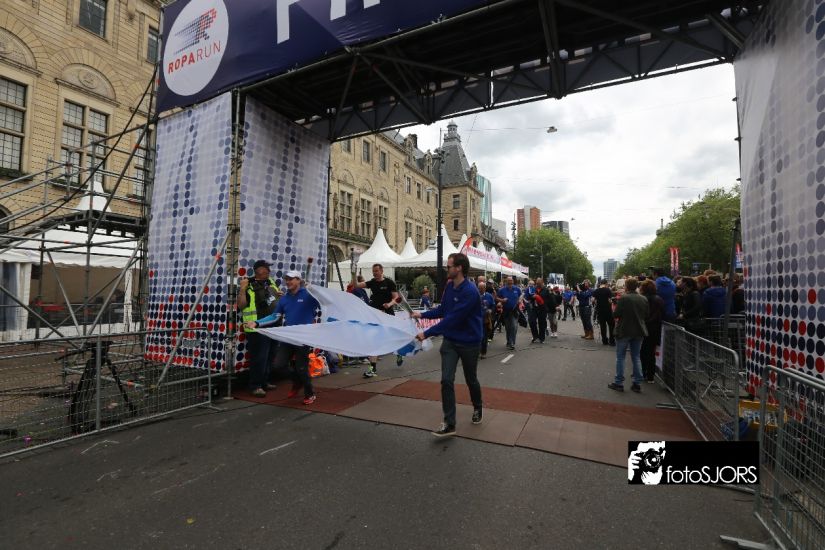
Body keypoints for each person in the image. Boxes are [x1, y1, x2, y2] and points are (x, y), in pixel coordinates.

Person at [413, 253, 483, 437]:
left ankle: (478, 407)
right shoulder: (450, 286)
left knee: (471, 379)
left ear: (459, 268)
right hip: (451, 341)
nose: (446, 268)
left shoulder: (470, 291)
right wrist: (422, 314)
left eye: (449, 266)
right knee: (446, 380)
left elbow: (452, 319)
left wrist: (426, 333)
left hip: (469, 341)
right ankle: (450, 423)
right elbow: (443, 310)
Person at [248, 270, 319, 405]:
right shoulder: (284, 299)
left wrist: (314, 289)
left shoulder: (309, 295)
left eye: (291, 279)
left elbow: (326, 300)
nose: (288, 281)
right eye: (287, 279)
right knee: (278, 366)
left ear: (298, 280)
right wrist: (257, 323)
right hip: (288, 337)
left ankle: (310, 393)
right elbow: (274, 317)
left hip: (304, 338)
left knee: (301, 368)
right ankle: (297, 382)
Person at [237, 259, 282, 397]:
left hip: (273, 326)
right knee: (259, 358)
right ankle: (256, 386)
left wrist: (280, 296)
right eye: (267, 268)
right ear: (260, 271)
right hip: (257, 328)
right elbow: (241, 306)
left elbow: (276, 300)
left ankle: (265, 382)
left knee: (270, 356)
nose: (269, 271)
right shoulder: (248, 285)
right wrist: (242, 289)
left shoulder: (271, 282)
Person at [354, 263, 401, 377]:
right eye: (373, 271)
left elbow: (397, 298)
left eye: (376, 271)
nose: (374, 273)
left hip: (387, 314)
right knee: (373, 341)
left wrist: (389, 304)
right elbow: (356, 285)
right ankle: (372, 369)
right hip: (375, 315)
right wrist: (353, 273)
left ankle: (400, 352)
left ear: (381, 271)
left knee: (393, 337)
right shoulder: (372, 282)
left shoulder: (389, 282)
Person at [608, 278, 649, 393]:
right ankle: (637, 383)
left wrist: (613, 305)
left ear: (626, 286)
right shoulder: (643, 298)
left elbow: (616, 314)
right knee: (636, 356)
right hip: (639, 330)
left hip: (624, 330)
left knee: (620, 357)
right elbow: (646, 315)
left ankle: (619, 382)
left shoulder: (624, 298)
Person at [639, 280, 664, 383]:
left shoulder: (643, 299)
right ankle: (650, 376)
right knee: (651, 352)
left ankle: (643, 372)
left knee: (643, 351)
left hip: (645, 327)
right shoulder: (659, 299)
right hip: (655, 328)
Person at [496, 276, 521, 350]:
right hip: (506, 311)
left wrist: (520, 300)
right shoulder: (502, 290)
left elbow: (521, 295)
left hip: (514, 311)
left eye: (511, 280)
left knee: (514, 326)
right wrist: (502, 300)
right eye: (509, 281)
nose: (510, 282)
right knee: (508, 327)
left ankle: (512, 342)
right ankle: (509, 341)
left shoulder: (517, 289)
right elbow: (496, 298)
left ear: (513, 281)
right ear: (506, 282)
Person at [592, 280, 615, 346]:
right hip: (608, 310)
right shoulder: (608, 290)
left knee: (602, 325)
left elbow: (593, 300)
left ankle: (604, 340)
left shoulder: (596, 291)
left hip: (600, 310)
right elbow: (610, 300)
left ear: (600, 284)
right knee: (611, 325)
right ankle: (612, 341)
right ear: (606, 284)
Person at [479, 281, 496, 358]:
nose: (480, 290)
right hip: (476, 320)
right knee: (478, 337)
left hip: (485, 320)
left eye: (482, 288)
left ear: (485, 288)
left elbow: (493, 305)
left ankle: (483, 352)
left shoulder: (489, 296)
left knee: (484, 337)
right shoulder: (475, 295)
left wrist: (491, 310)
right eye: (479, 288)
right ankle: (478, 350)